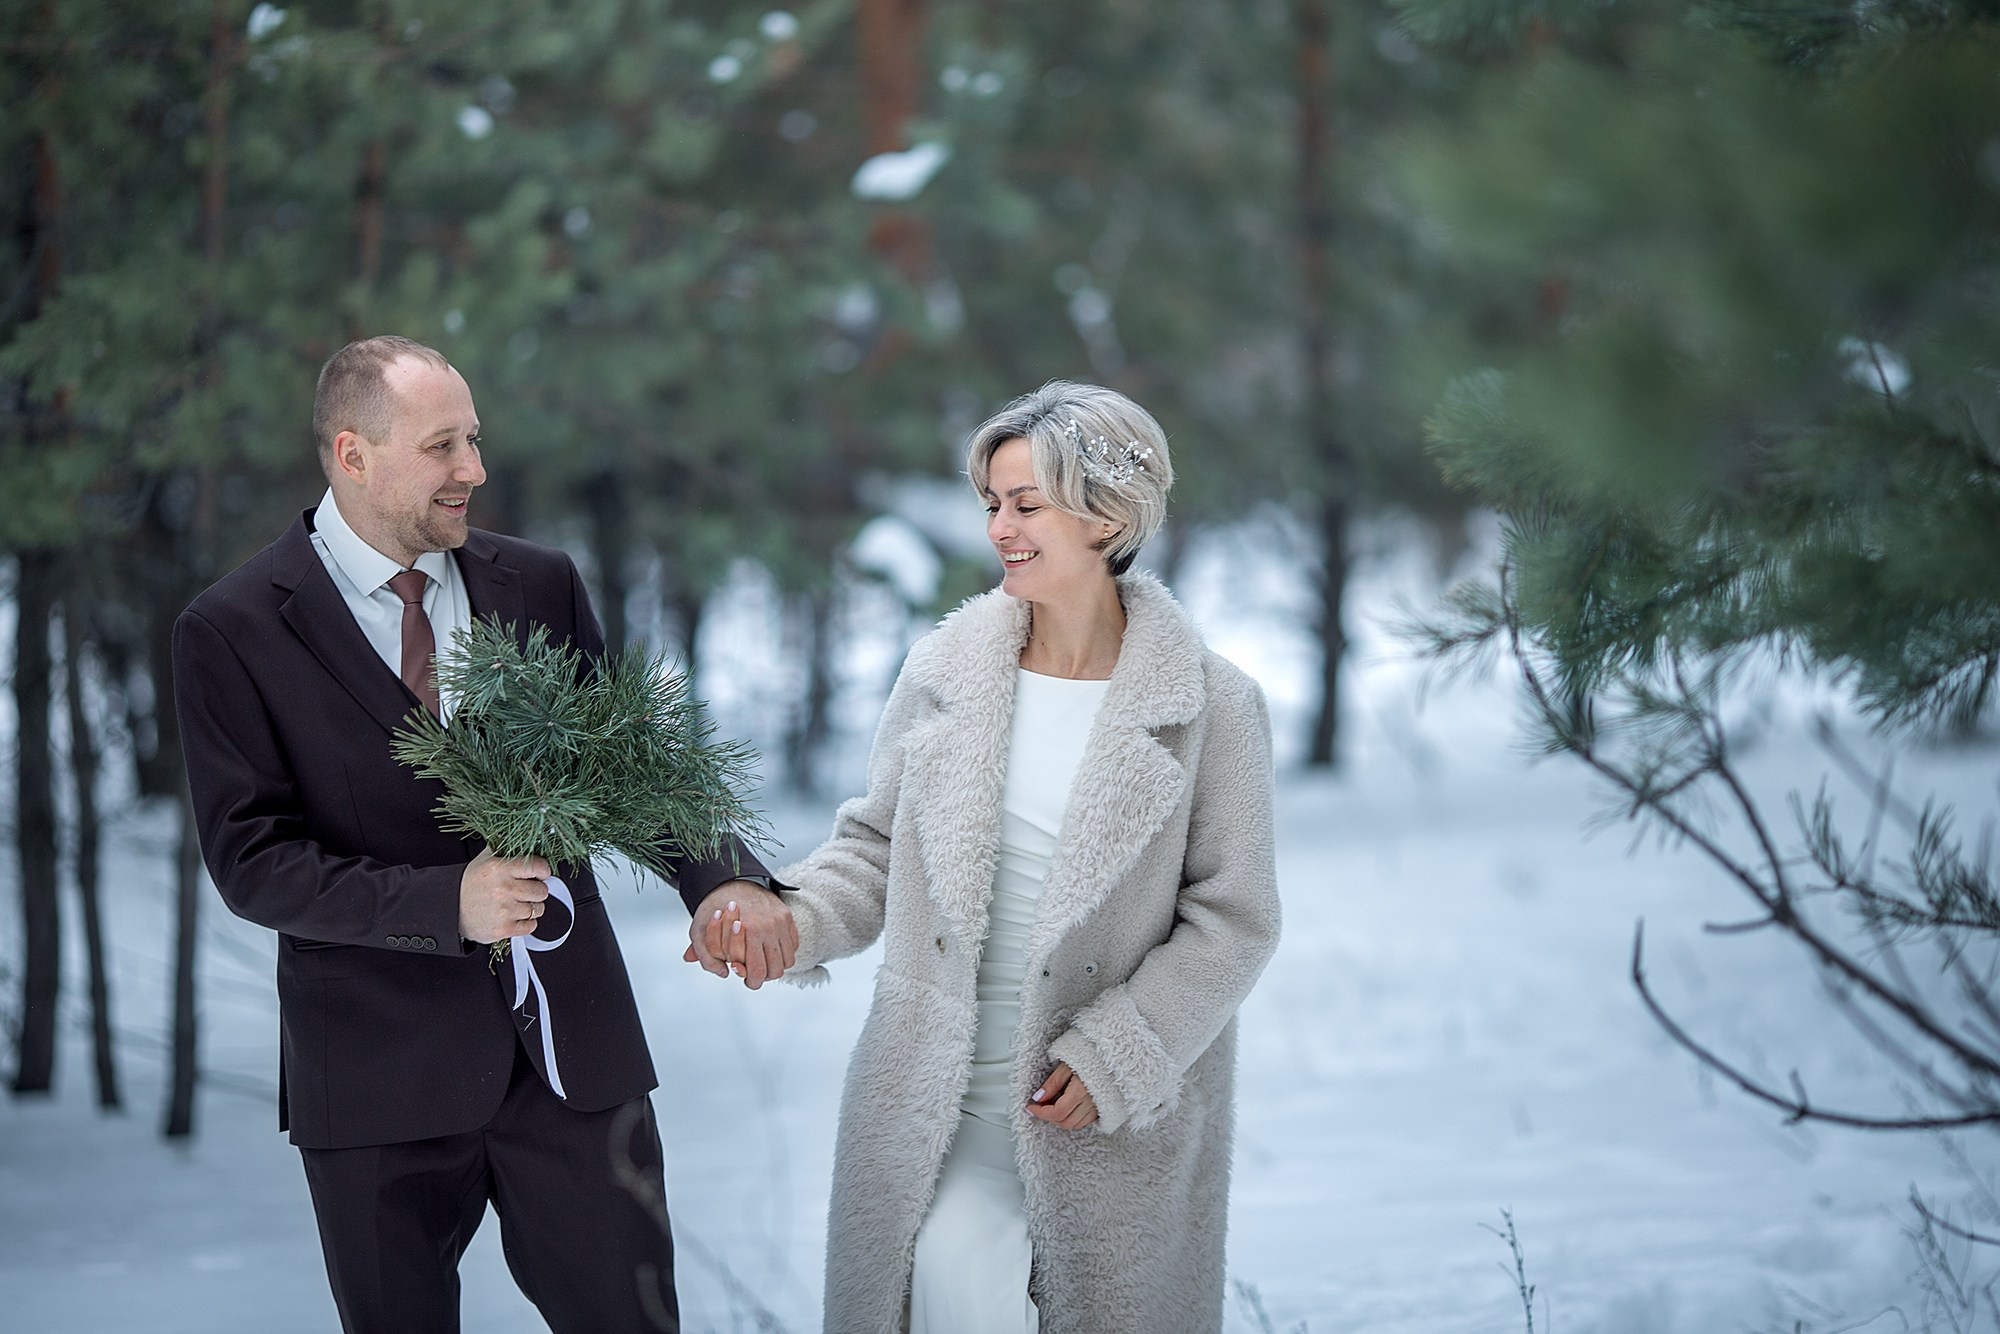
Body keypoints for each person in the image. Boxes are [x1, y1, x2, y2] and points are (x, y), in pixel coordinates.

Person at [172, 334, 798, 1333]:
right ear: (352, 453)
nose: (475, 469)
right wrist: (442, 904)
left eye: (474, 439)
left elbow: (626, 764)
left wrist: (721, 879)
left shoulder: (538, 582)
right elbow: (253, 861)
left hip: (575, 1065)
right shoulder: (234, 627)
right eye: (442, 446)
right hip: (377, 1075)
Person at [700, 381, 1282, 1333]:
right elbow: (876, 850)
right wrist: (791, 919)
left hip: (1096, 1108)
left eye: (1026, 505)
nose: (1000, 528)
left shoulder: (1215, 706)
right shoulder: (944, 674)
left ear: (1105, 516)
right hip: (938, 1100)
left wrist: (1120, 1056)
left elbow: (1235, 919)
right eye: (992, 505)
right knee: (947, 1285)